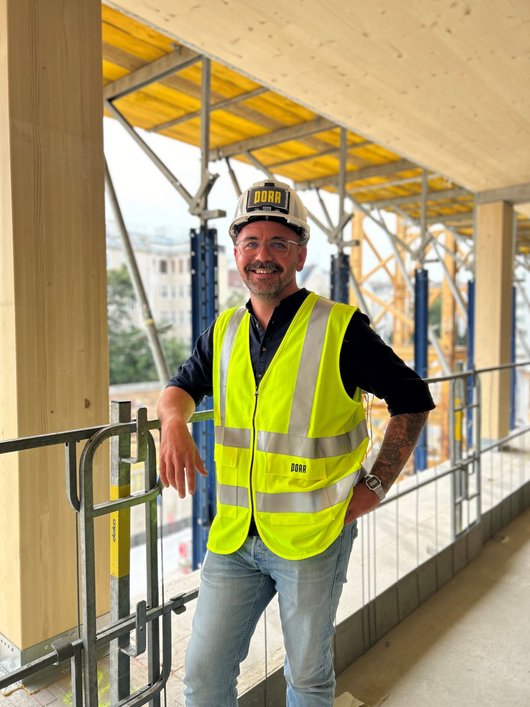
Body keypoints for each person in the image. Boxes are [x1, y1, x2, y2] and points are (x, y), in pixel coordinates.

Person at [157, 179, 435, 706]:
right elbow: (179, 389)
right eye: (252, 244)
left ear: (300, 254)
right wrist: (173, 423)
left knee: (306, 678)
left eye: (279, 244)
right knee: (203, 676)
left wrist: (374, 487)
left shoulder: (340, 328)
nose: (263, 256)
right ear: (236, 253)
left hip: (314, 536)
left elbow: (412, 399)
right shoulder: (223, 331)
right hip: (234, 538)